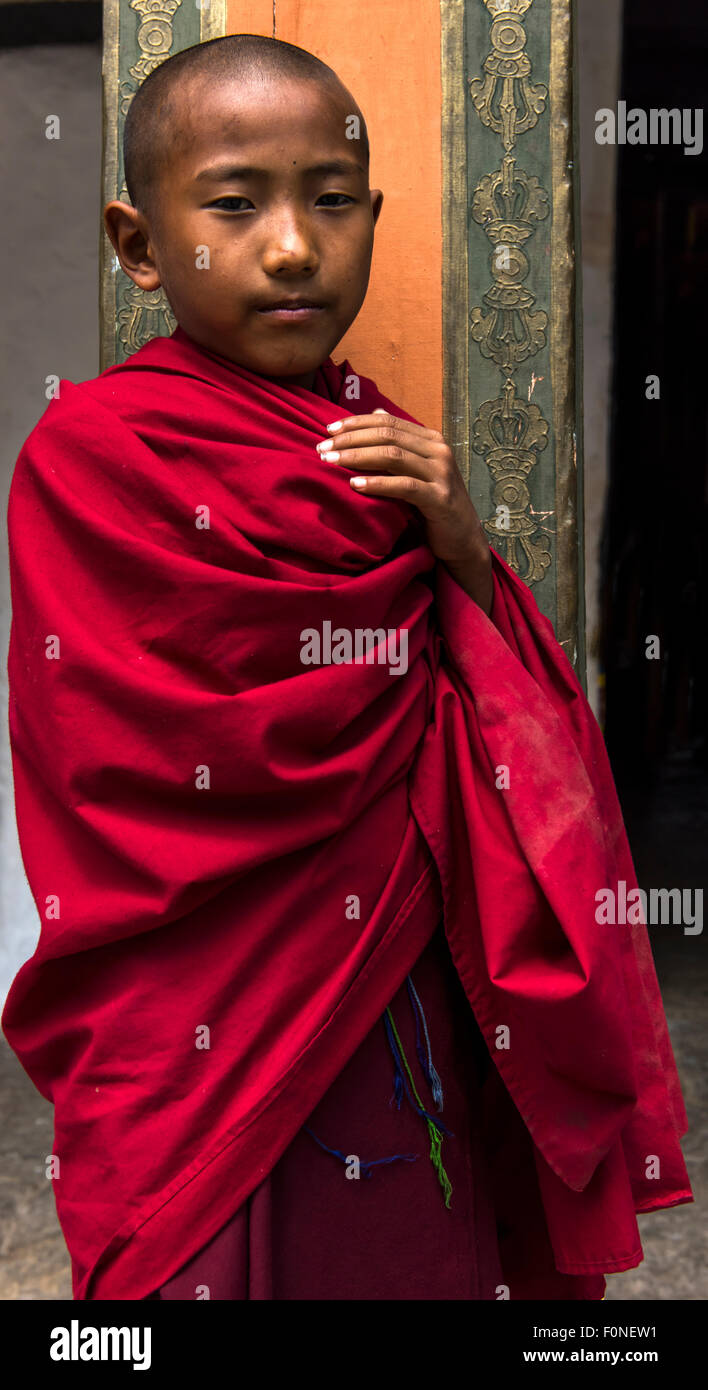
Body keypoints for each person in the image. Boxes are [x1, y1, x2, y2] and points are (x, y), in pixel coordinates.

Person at [2, 34, 692, 1302]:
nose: (291, 244)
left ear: (371, 219)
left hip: (413, 973)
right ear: (140, 244)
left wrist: (460, 544)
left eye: (330, 200)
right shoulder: (94, 454)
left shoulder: (384, 445)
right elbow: (123, 758)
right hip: (214, 1010)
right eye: (234, 202)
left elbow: (493, 708)